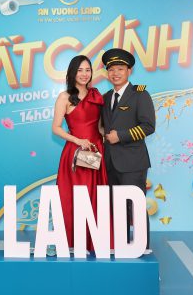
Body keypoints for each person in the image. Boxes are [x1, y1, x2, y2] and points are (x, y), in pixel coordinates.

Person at [51, 55, 108, 252]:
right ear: (72, 73)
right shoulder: (64, 97)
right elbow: (56, 128)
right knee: (73, 197)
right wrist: (77, 141)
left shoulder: (96, 96)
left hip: (96, 152)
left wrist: (110, 137)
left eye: (88, 70)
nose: (84, 74)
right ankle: (70, 241)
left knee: (96, 197)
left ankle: (94, 241)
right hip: (75, 153)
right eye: (80, 70)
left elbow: (99, 127)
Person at [101, 48, 155, 251]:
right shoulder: (106, 97)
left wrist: (120, 136)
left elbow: (148, 127)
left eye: (120, 69)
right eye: (111, 69)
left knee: (135, 207)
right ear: (107, 73)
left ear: (129, 71)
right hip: (110, 162)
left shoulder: (140, 94)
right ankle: (122, 246)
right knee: (117, 208)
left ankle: (141, 248)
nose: (115, 73)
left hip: (133, 162)